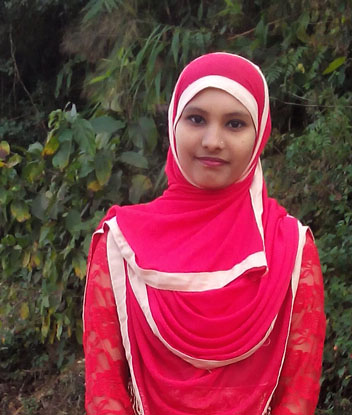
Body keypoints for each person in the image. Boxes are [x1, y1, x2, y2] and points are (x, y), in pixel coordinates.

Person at [83, 52, 326, 415]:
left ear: (259, 135)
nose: (213, 141)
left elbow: (298, 393)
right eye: (196, 119)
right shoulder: (120, 243)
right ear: (173, 123)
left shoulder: (291, 249)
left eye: (235, 124)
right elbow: (105, 391)